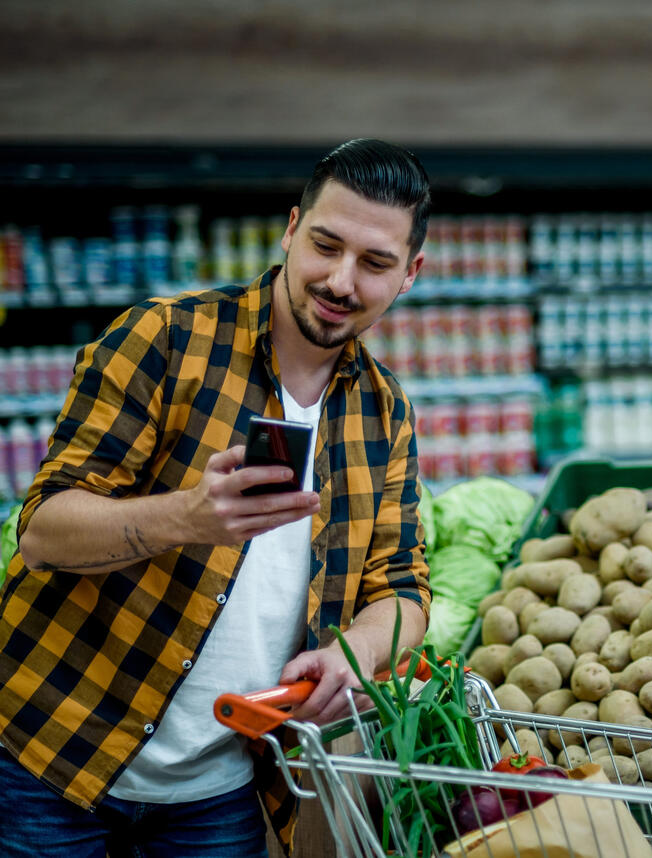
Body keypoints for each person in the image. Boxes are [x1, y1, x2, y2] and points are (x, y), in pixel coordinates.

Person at [0, 138, 434, 857]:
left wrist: (351, 653)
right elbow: (43, 530)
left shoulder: (385, 412)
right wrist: (187, 516)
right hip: (51, 760)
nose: (340, 280)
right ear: (291, 229)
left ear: (410, 273)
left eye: (375, 263)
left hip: (218, 791)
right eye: (325, 245)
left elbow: (404, 589)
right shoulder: (166, 340)